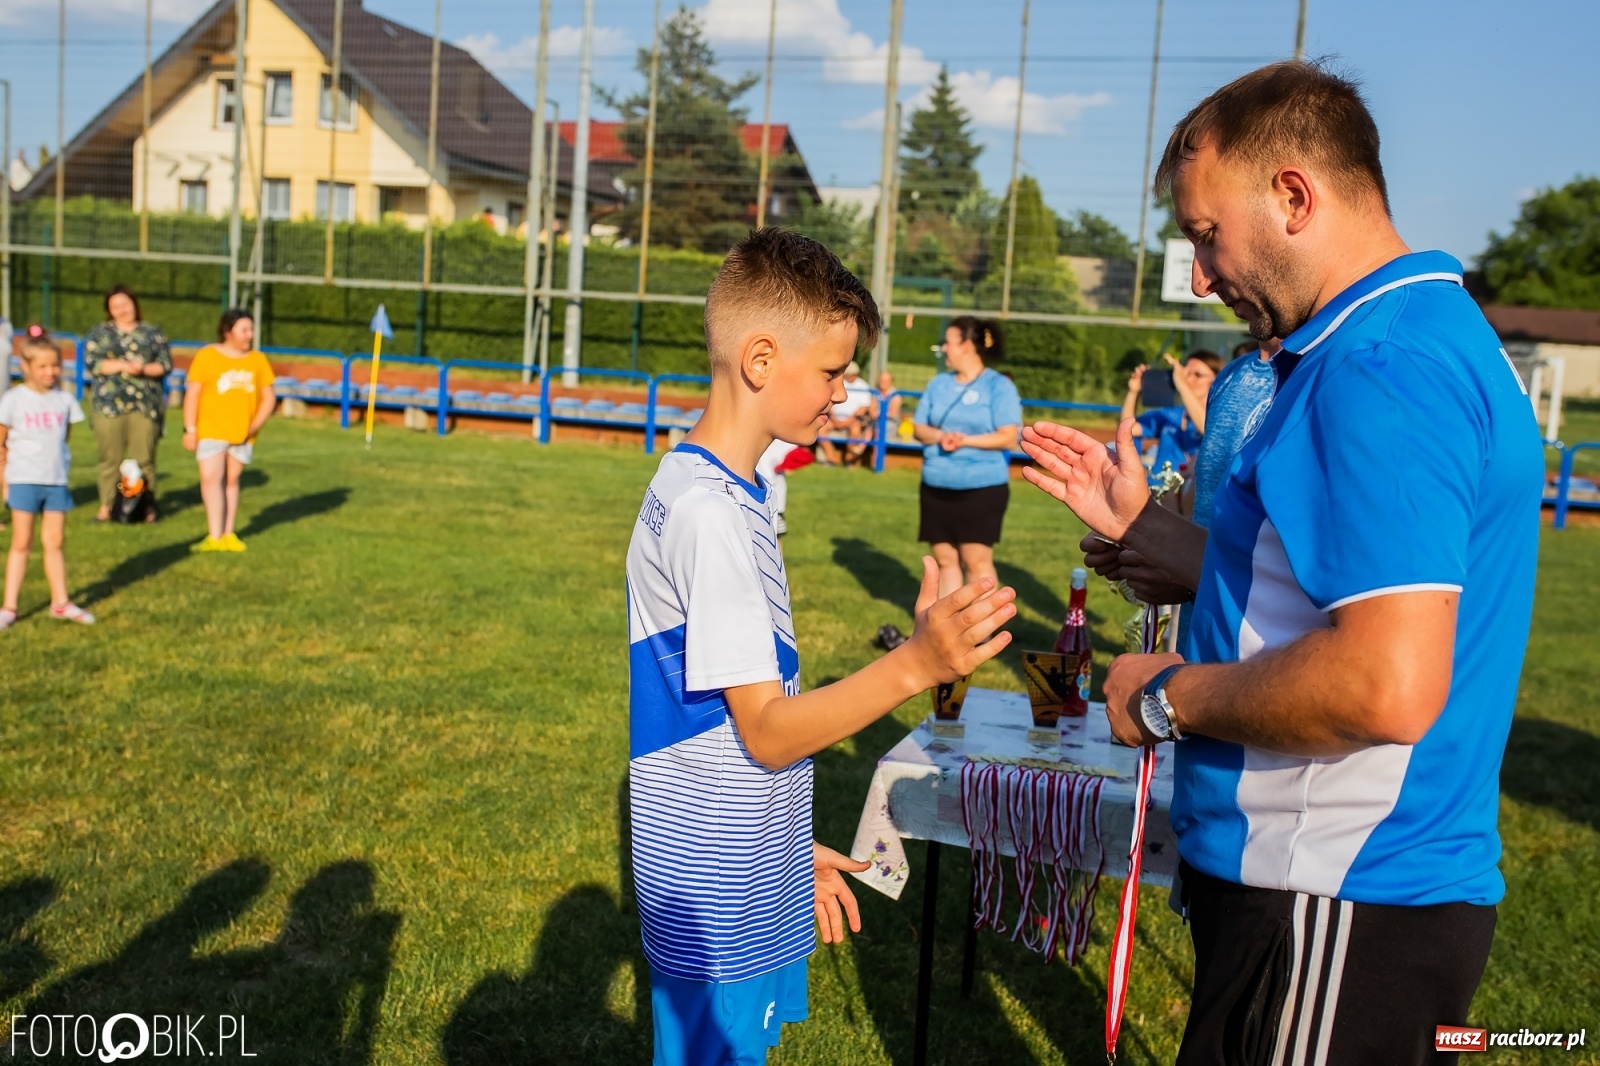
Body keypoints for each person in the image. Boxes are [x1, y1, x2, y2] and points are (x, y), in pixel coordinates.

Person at [1019, 60, 1543, 1065]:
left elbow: (1381, 680)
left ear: (1292, 195)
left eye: (1204, 236)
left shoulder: (1377, 367)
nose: (1203, 275)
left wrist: (1167, 697)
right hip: (1342, 896)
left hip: (1337, 896)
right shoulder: (1406, 332)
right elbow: (1319, 584)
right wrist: (1146, 529)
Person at [625, 228, 1015, 1065]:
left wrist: (785, 848)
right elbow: (766, 730)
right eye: (833, 372)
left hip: (738, 865)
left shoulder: (717, 487)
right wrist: (918, 663)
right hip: (717, 894)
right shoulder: (712, 517)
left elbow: (723, 721)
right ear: (760, 359)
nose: (842, 396)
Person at [913, 316, 1022, 597]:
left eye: (948, 343)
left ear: (968, 345)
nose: (943, 349)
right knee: (945, 562)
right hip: (935, 485)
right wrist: (940, 437)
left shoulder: (999, 386)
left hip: (982, 488)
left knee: (976, 562)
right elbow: (919, 428)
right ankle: (951, 636)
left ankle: (983, 635)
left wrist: (964, 441)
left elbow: (1008, 436)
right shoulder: (938, 384)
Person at [0, 328, 96, 629]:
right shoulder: (13, 399)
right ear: (26, 366)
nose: (50, 371)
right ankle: (10, 607)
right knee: (22, 541)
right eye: (42, 366)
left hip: (55, 481)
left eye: (55, 365)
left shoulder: (64, 400)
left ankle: (61, 602)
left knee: (54, 541)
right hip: (24, 480)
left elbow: (63, 438)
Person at [183, 309, 277, 553]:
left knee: (232, 480)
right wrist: (190, 429)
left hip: (242, 434)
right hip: (211, 430)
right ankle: (214, 535)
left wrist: (255, 425)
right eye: (244, 329)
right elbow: (193, 393)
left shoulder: (258, 360)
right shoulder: (207, 356)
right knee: (210, 478)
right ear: (228, 331)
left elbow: (269, 397)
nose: (250, 335)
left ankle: (229, 533)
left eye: (251, 329)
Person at [84, 284, 172, 523]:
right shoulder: (100, 333)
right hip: (109, 405)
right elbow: (94, 363)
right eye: (116, 306)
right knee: (109, 458)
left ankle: (146, 507)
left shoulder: (152, 333)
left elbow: (165, 365)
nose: (122, 310)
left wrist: (143, 368)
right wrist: (123, 365)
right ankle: (107, 507)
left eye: (125, 304)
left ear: (134, 303)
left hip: (145, 405)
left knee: (144, 459)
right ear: (109, 310)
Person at [1118, 350, 1221, 479]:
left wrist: (1182, 385)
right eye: (1186, 373)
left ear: (1217, 379)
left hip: (1187, 494)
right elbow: (1129, 429)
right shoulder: (1172, 413)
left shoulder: (1219, 418)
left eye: (1197, 375)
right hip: (1156, 490)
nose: (1189, 379)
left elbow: (1206, 428)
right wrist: (1133, 391)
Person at [816, 360, 877, 466]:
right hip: (834, 419)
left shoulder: (863, 386)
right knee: (820, 429)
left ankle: (849, 459)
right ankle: (831, 457)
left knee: (855, 429)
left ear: (854, 374)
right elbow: (829, 401)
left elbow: (863, 408)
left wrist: (849, 420)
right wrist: (834, 417)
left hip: (853, 420)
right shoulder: (836, 383)